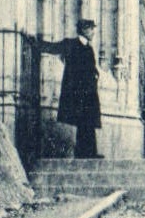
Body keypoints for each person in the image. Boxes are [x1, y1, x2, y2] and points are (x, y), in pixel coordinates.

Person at [37, 19, 102, 159]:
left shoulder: (89, 48)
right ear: (84, 30)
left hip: (89, 92)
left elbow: (91, 68)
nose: (93, 32)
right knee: (83, 122)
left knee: (87, 123)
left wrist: (96, 74)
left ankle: (89, 152)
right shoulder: (71, 44)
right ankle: (86, 152)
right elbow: (53, 48)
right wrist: (36, 42)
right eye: (91, 29)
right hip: (77, 92)